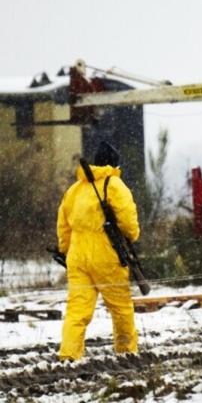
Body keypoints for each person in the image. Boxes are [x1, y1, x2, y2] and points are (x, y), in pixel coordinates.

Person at [57, 141, 140, 361]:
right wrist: (132, 237)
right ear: (113, 163)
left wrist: (66, 251)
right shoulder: (114, 185)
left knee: (77, 309)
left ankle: (68, 355)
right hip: (107, 254)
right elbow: (128, 221)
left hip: (77, 256)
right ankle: (126, 352)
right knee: (120, 307)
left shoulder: (73, 190)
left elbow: (63, 227)